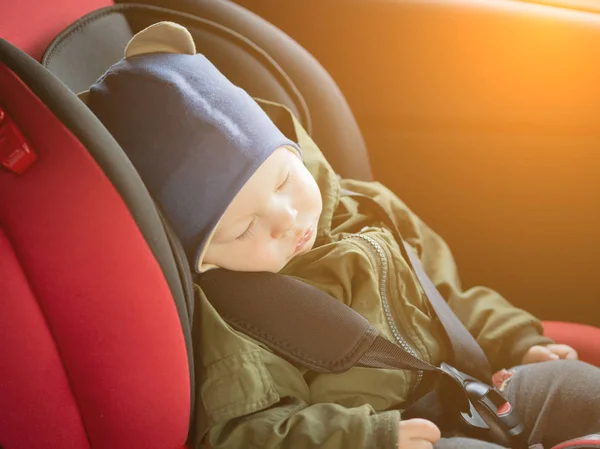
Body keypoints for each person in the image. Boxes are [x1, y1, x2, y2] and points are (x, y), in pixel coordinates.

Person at [82, 21, 600, 449]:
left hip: (468, 390)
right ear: (201, 257)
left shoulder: (360, 207)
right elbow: (244, 433)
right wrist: (366, 437)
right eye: (244, 228)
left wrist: (513, 338)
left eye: (285, 179)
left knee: (579, 389)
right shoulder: (234, 320)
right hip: (392, 433)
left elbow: (445, 295)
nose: (286, 217)